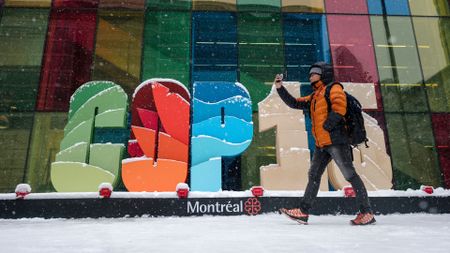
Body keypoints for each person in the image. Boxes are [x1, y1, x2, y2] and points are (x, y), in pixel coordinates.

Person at [275, 62, 375, 225]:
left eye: (315, 72)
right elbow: (295, 103)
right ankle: (303, 211)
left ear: (324, 73)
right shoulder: (315, 96)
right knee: (314, 176)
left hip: (336, 141)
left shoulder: (333, 88)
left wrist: (327, 125)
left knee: (350, 175)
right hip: (322, 145)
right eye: (310, 73)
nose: (311, 75)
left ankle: (367, 212)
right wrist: (280, 87)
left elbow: (340, 108)